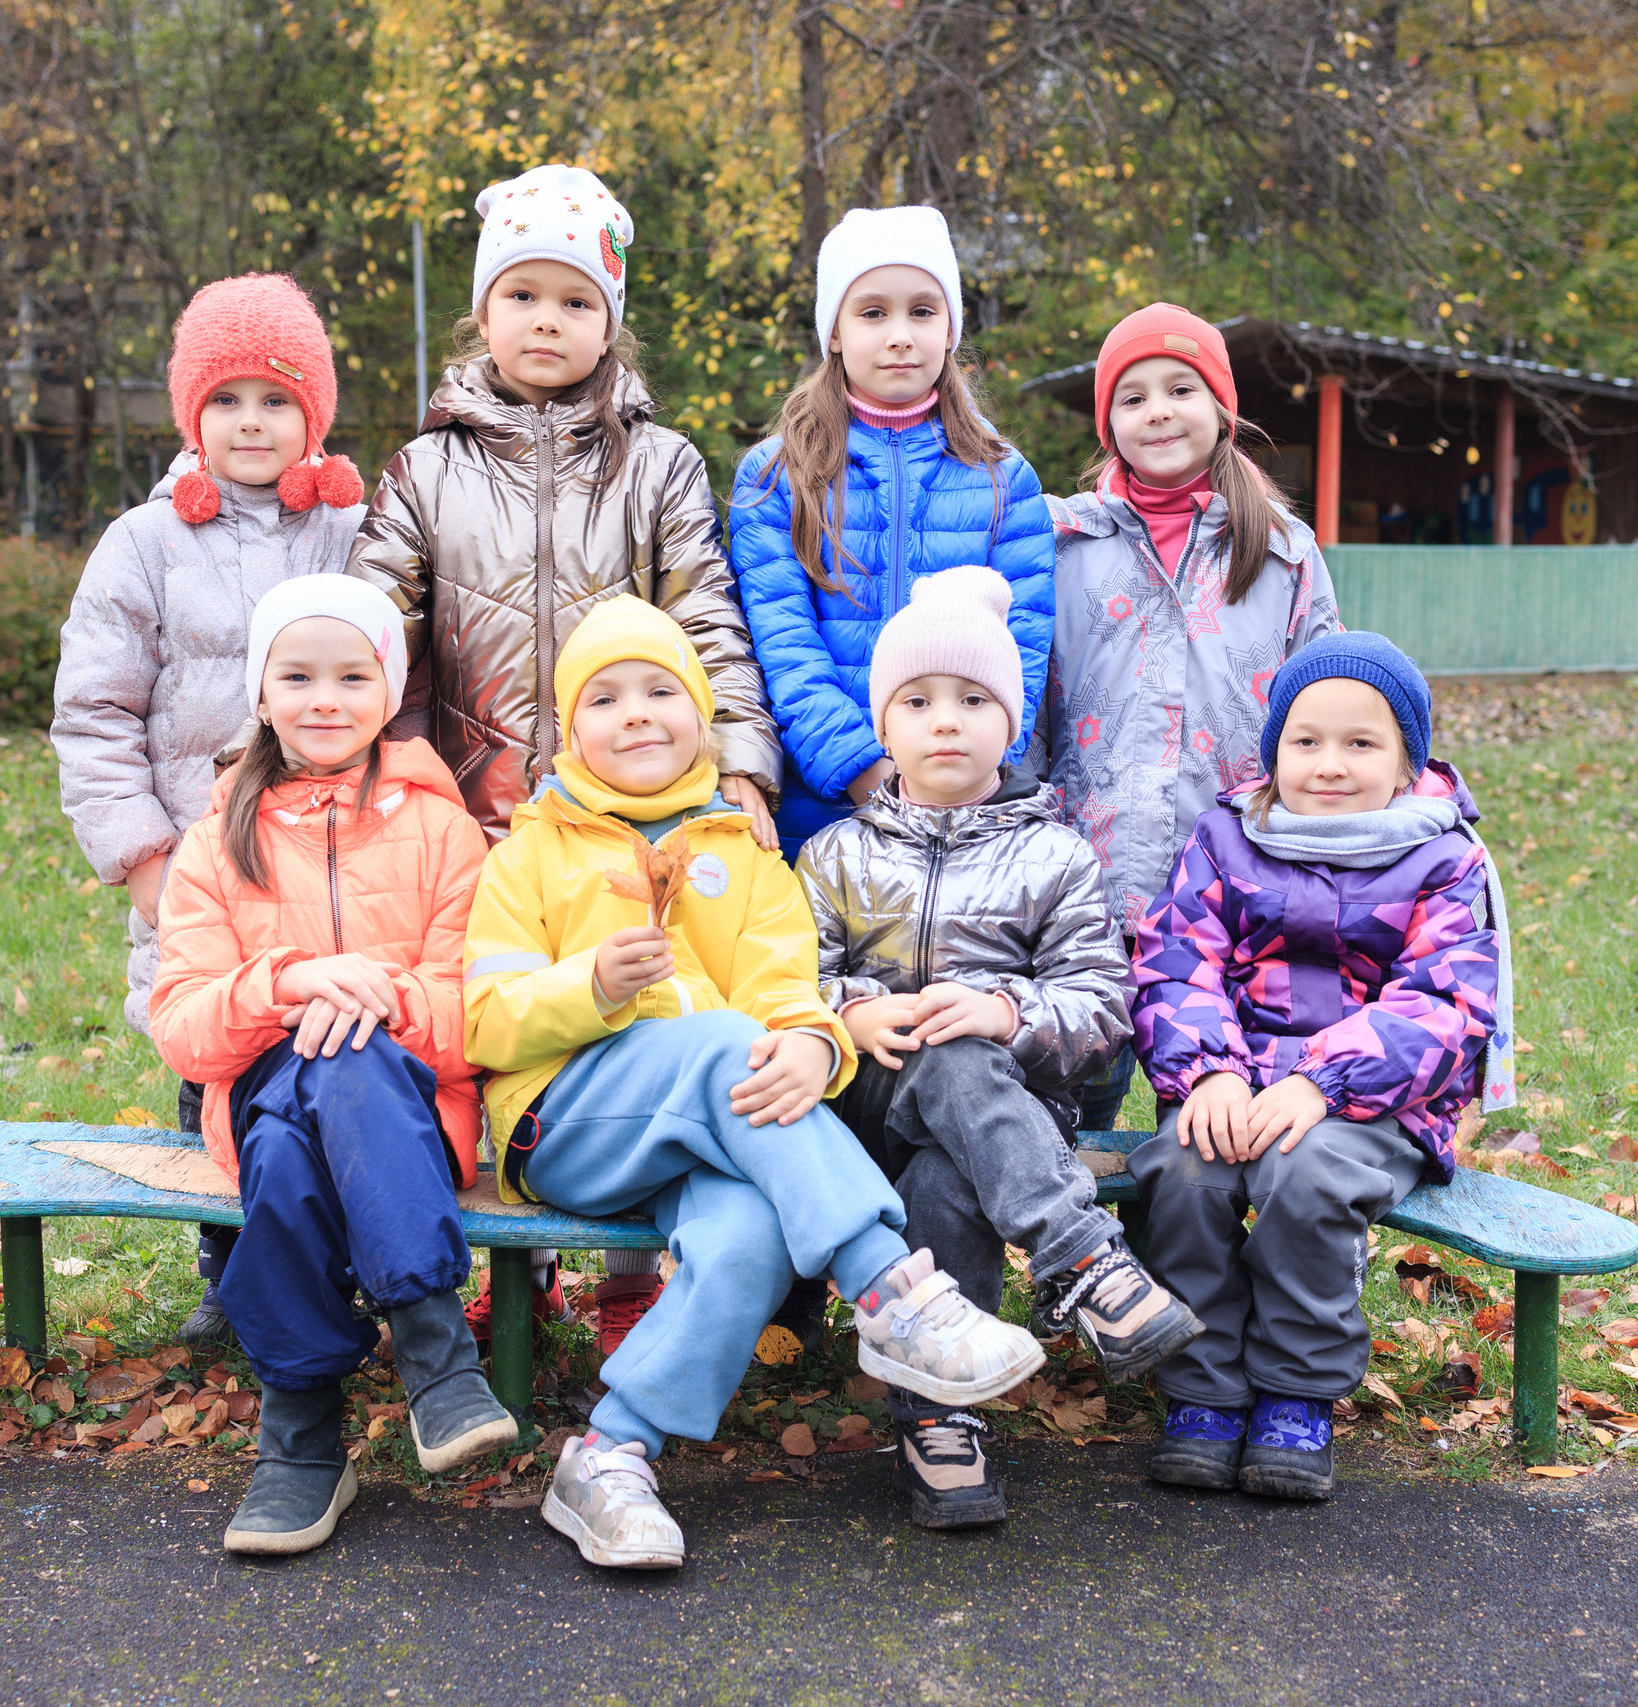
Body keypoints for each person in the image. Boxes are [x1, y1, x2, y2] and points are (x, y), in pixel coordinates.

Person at [461, 597, 1046, 1570]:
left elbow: (783, 992)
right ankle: (892, 1290)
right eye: (605, 698)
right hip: (562, 1126)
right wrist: (591, 986)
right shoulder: (530, 853)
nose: (636, 713)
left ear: (702, 714)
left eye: (661, 691)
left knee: (749, 1232)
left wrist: (815, 1044)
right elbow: (484, 1019)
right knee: (722, 1039)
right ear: (569, 730)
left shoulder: (747, 852)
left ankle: (609, 1455)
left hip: (707, 1130)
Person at [348, 163, 778, 1355]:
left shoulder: (659, 465)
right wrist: (370, 770)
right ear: (483, 312)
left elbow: (705, 617)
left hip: (628, 810)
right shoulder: (425, 471)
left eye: (576, 301)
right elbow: (376, 629)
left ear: (610, 322)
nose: (548, 321)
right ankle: (517, 1267)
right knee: (511, 1027)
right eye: (523, 296)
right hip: (474, 808)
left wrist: (740, 760)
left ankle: (633, 1272)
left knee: (639, 1010)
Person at [797, 566, 1203, 1529]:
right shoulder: (836, 855)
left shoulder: (1054, 856)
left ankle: (941, 1417)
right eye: (919, 700)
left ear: (1011, 723)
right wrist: (850, 1015)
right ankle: (1084, 1261)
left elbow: (1102, 1006)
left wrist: (1005, 1012)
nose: (947, 720)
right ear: (883, 724)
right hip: (857, 1107)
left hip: (1005, 1126)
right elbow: (779, 982)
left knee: (948, 1161)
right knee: (938, 1055)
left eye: (974, 700)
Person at [149, 574, 505, 1556]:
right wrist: (293, 983)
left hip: (412, 1111)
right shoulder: (216, 842)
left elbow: (476, 1017)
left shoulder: (444, 832)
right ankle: (435, 1354)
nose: (324, 699)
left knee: (319, 1106)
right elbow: (182, 1026)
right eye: (297, 676)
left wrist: (372, 997)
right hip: (265, 1086)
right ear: (261, 695)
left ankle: (300, 1434)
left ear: (388, 692)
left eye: (352, 676)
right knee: (302, 1106)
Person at [52, 272, 368, 1344]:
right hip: (204, 867)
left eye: (277, 399)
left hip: (334, 862)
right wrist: (144, 856)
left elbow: (399, 681)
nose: (251, 422)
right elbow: (94, 713)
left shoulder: (352, 533)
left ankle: (335, 1264)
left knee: (330, 1055)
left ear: (313, 412)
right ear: (193, 412)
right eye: (226, 399)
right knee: (219, 1062)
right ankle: (225, 1271)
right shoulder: (144, 545)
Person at [1127, 633, 1513, 1502]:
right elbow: (1176, 960)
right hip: (1233, 1077)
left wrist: (1323, 1080)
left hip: (1373, 1102)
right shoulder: (1227, 838)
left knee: (1306, 1176)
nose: (1330, 763)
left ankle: (1296, 1391)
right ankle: (1204, 1390)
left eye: (1361, 742)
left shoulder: (1443, 858)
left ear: (1408, 760)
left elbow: (1443, 1004)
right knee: (1185, 1169)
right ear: (1274, 752)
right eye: (1306, 741)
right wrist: (1210, 1073)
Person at [1037, 304, 1343, 1131]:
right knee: (1073, 1118)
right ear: (1108, 423)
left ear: (1222, 408)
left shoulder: (1282, 552)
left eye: (1181, 388)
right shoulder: (1063, 544)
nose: (1158, 411)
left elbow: (1326, 705)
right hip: (1086, 884)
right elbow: (1025, 701)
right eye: (1132, 397)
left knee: (1212, 1125)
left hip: (1231, 889)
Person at [728, 204, 1054, 849]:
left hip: (964, 805)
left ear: (951, 329)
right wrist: (863, 772)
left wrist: (965, 771)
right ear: (835, 332)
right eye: (873, 313)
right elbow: (781, 638)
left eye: (923, 312)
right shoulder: (775, 476)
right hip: (819, 807)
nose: (900, 335)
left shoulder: (1004, 479)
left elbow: (1023, 641)